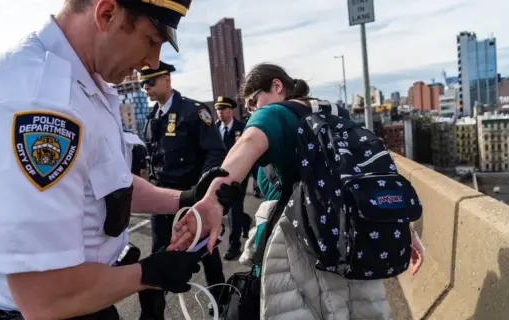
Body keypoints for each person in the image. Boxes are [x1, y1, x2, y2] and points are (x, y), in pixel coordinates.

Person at [0, 1, 232, 319]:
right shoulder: (37, 100)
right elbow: (46, 298)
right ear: (106, 13)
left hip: (89, 298)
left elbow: (107, 181)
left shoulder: (83, 84)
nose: (152, 60)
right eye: (151, 40)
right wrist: (149, 273)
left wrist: (186, 198)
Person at [173, 63, 425, 319]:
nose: (251, 112)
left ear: (277, 86)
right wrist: (401, 226)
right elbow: (368, 174)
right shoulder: (337, 113)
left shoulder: (274, 114)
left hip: (299, 249)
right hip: (352, 243)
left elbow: (247, 142)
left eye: (252, 102)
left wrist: (214, 199)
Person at [139, 61, 227, 319]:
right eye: (143, 82)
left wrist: (203, 188)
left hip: (190, 198)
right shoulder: (153, 115)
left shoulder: (193, 112)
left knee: (207, 253)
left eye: (151, 81)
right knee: (159, 254)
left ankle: (220, 298)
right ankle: (154, 313)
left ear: (167, 80)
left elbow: (215, 152)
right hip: (160, 200)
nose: (146, 87)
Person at [213, 96, 252, 260]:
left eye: (224, 109)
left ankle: (234, 246)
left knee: (233, 209)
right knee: (226, 208)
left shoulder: (242, 128)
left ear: (231, 110)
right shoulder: (213, 129)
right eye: (218, 109)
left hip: (238, 175)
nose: (220, 113)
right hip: (219, 175)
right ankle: (246, 220)